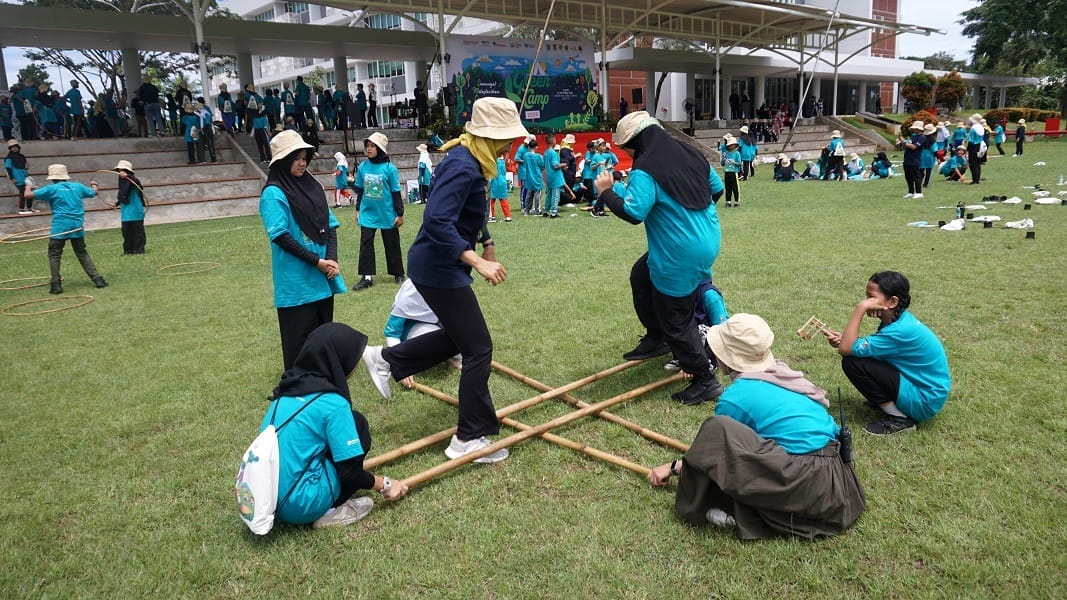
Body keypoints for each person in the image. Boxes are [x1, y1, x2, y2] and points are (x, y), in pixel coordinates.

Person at [360, 97, 528, 462]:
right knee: (478, 347)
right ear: (491, 137)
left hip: (440, 264)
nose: (510, 144)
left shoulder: (474, 160)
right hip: (438, 267)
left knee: (459, 337)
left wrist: (487, 243)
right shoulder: (463, 165)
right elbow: (436, 221)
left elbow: (468, 211)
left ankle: (386, 359)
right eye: (506, 138)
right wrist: (475, 262)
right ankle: (468, 438)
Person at [648, 313, 866, 540]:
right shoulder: (782, 374)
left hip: (809, 485)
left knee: (716, 430)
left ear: (727, 356)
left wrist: (674, 467)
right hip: (838, 480)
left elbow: (717, 452)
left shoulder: (736, 398)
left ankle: (740, 512)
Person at [593, 110, 725, 406]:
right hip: (705, 238)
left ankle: (704, 378)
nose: (626, 152)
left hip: (679, 251)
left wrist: (605, 191)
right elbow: (715, 189)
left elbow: (632, 213)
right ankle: (657, 337)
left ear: (637, 142)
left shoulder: (646, 167)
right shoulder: (691, 154)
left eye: (626, 147)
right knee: (642, 275)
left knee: (676, 318)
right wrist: (686, 217)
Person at [258, 322, 408, 529]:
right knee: (358, 426)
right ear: (339, 359)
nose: (356, 363)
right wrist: (386, 485)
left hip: (263, 494)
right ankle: (329, 511)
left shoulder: (286, 390)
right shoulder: (333, 404)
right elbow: (348, 473)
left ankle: (314, 493)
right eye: (354, 356)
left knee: (341, 431)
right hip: (299, 506)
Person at [259, 130, 347, 370]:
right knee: (298, 336)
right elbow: (280, 236)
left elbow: (329, 226)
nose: (302, 162)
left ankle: (324, 373)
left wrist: (331, 259)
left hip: (322, 274)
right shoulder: (273, 193)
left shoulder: (313, 187)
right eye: (295, 157)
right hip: (296, 279)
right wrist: (315, 261)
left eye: (304, 156)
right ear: (282, 161)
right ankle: (299, 381)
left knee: (323, 330)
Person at [823, 270, 950, 435]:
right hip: (924, 393)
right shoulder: (899, 320)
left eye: (871, 297)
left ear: (892, 301)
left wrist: (860, 309)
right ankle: (890, 403)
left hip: (923, 401)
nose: (867, 302)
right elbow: (869, 348)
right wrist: (847, 340)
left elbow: (846, 350)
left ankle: (899, 418)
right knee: (857, 357)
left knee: (852, 362)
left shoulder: (899, 330)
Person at [23, 164, 109, 294]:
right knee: (82, 253)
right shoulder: (77, 186)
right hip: (76, 225)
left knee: (54, 254)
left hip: (60, 226)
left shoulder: (51, 189)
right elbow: (93, 193)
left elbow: (27, 195)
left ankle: (56, 285)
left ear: (52, 178)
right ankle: (98, 279)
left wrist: (28, 185)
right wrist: (94, 184)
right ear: (65, 176)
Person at [353, 132, 405, 290]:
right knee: (366, 243)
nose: (369, 149)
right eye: (367, 146)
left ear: (380, 148)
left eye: (372, 146)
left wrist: (400, 213)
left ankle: (398, 274)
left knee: (392, 243)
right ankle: (366, 277)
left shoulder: (390, 169)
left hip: (387, 213)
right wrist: (357, 209)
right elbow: (360, 190)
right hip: (368, 212)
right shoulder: (362, 167)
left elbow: (396, 192)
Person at [108, 160, 147, 254]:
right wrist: (116, 203)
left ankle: (139, 250)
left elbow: (138, 184)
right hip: (126, 211)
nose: (120, 172)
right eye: (119, 170)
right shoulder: (123, 182)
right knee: (126, 231)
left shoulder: (133, 180)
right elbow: (123, 195)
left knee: (138, 231)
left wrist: (128, 176)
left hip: (136, 210)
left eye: (122, 170)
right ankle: (128, 250)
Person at [5, 139, 34, 215]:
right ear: (10, 148)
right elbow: (8, 168)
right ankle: (21, 209)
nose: (15, 148)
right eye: (12, 147)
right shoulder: (9, 158)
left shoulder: (22, 156)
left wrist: (27, 168)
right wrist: (12, 178)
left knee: (30, 191)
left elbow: (25, 166)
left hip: (24, 176)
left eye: (16, 147)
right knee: (22, 192)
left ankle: (29, 208)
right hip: (17, 177)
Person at [542, 133, 565, 218]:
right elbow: (555, 166)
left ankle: (546, 211)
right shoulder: (553, 153)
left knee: (549, 195)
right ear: (553, 141)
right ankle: (553, 212)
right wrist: (562, 164)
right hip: (555, 177)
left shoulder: (545, 153)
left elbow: (544, 165)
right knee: (555, 195)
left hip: (549, 177)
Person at [900, 121, 925, 198]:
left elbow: (914, 147)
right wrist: (903, 143)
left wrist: (904, 142)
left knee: (916, 176)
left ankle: (919, 192)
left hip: (915, 160)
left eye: (915, 128)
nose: (914, 130)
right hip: (907, 159)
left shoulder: (922, 137)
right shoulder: (913, 136)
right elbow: (908, 145)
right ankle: (911, 191)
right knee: (908, 176)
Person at [520, 137, 544, 216]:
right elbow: (542, 166)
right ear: (536, 147)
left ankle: (527, 210)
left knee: (529, 194)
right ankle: (537, 210)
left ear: (529, 146)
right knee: (537, 194)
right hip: (537, 177)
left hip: (529, 177)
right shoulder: (538, 156)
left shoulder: (526, 155)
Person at [487, 148, 512, 223]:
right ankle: (508, 216)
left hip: (495, 182)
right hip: (503, 182)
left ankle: (491, 216)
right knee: (503, 200)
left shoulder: (494, 161)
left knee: (491, 200)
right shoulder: (503, 162)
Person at [721, 134, 741, 206]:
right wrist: (723, 160)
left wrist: (734, 162)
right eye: (730, 145)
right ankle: (728, 201)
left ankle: (736, 201)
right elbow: (722, 164)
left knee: (735, 187)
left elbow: (739, 163)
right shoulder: (725, 153)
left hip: (734, 172)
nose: (731, 146)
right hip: (727, 172)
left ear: (735, 145)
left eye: (732, 144)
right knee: (728, 187)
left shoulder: (737, 154)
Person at [195, 99, 217, 163]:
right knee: (202, 144)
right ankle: (203, 159)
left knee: (209, 144)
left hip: (206, 129)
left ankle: (213, 159)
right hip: (202, 129)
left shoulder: (205, 113)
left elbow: (207, 122)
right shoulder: (202, 112)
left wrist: (201, 128)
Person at [965, 113, 985, 185]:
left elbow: (970, 140)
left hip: (973, 147)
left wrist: (967, 149)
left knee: (972, 164)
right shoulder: (981, 127)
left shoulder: (973, 128)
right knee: (977, 164)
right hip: (979, 146)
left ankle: (974, 179)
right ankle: (977, 179)